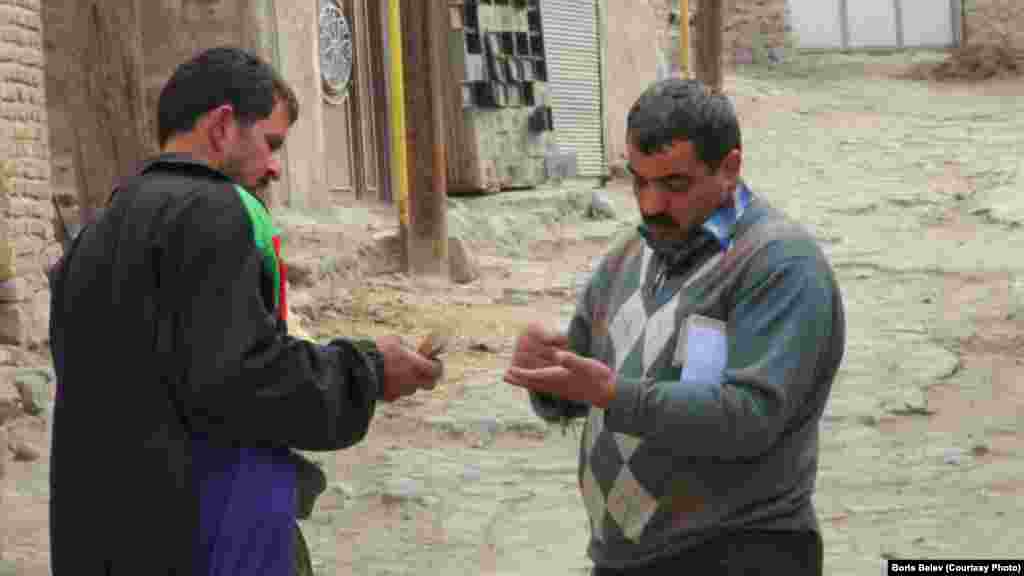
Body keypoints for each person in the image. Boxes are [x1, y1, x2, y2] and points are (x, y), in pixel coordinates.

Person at [48, 46, 443, 576]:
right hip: (209, 537)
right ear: (222, 126)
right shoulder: (220, 209)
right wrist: (369, 371)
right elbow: (245, 376)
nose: (275, 166)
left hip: (103, 537)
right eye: (270, 143)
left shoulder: (96, 232)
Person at [504, 78, 845, 575]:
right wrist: (545, 375)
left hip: (740, 551)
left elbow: (750, 418)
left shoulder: (781, 265)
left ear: (729, 168)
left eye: (674, 184)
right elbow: (584, 387)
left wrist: (617, 395)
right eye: (639, 181)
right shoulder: (631, 252)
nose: (650, 204)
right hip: (629, 558)